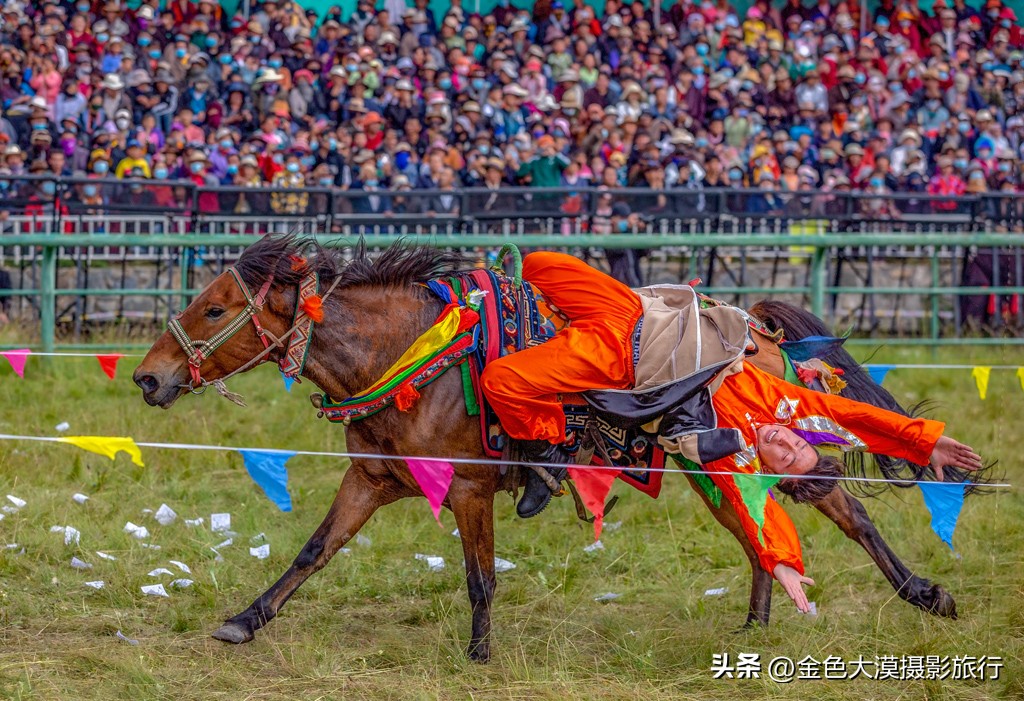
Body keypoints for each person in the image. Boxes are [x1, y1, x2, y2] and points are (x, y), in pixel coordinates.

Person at [479, 253, 982, 608]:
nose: (783, 442)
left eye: (783, 458)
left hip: (622, 358)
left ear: (765, 471)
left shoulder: (731, 455)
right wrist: (923, 441)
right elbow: (856, 415)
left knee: (502, 379)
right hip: (639, 311)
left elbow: (756, 511)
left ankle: (545, 444)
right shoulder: (782, 404)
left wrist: (781, 560)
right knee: (540, 262)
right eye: (795, 444)